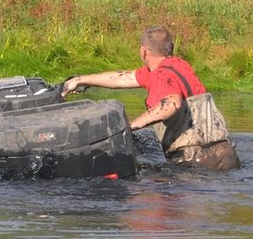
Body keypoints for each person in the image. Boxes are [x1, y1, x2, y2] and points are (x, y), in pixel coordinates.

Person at [61, 26, 241, 170]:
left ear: (144, 51)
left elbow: (171, 103)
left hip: (196, 161)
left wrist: (129, 128)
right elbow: (124, 77)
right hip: (227, 155)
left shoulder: (161, 75)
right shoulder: (179, 66)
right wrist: (80, 80)